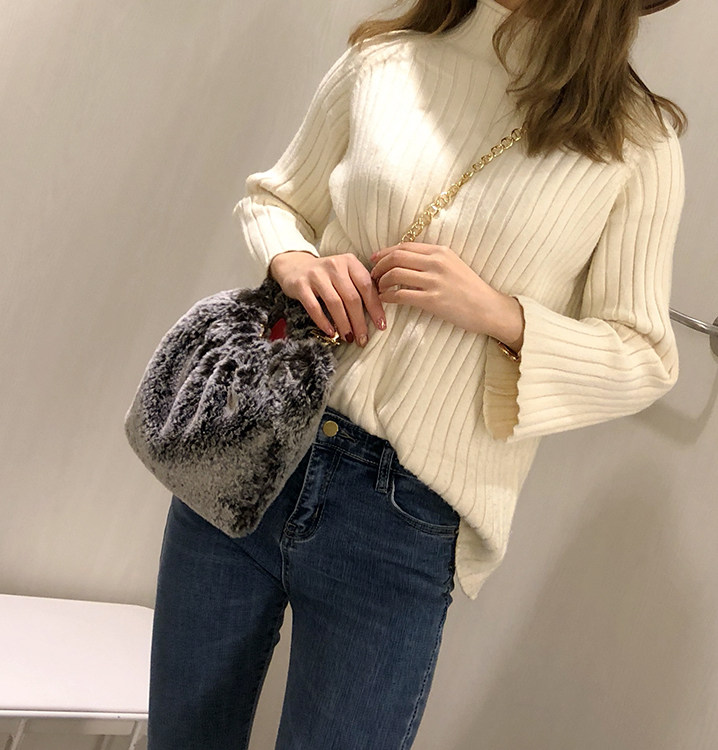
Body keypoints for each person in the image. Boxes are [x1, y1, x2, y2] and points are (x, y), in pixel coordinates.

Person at [147, 0, 687, 748]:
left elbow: (644, 355)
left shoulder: (636, 139)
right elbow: (275, 198)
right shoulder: (386, 60)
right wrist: (297, 262)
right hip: (260, 440)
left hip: (400, 520)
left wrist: (501, 314)